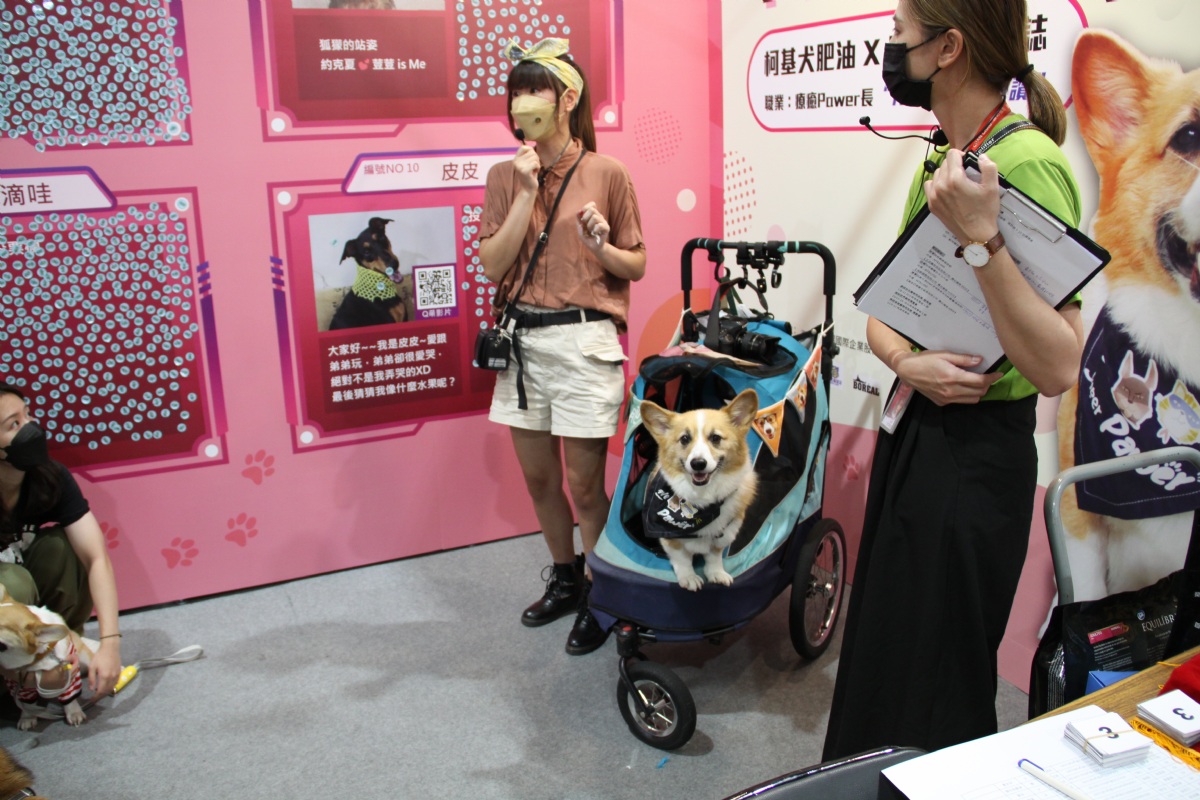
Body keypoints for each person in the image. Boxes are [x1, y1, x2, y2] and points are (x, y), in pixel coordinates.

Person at [823, 0, 1084, 756]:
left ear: (949, 49)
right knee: (892, 653)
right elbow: (885, 312)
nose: (888, 50)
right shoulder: (943, 158)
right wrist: (907, 362)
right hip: (917, 432)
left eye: (899, 36)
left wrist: (983, 241)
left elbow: (1058, 363)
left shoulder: (1026, 164)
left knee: (939, 682)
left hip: (976, 458)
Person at [478, 38, 646, 655]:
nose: (521, 103)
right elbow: (493, 265)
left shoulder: (607, 173)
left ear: (567, 99)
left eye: (534, 90)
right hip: (523, 344)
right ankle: (567, 578)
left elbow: (637, 264)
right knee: (539, 479)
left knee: (585, 484)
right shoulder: (505, 176)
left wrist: (602, 247)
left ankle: (603, 594)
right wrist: (525, 193)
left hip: (584, 343)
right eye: (515, 92)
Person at [0, 381, 124, 698]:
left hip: (36, 623)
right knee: (12, 581)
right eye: (14, 425)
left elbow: (96, 558)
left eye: (27, 415)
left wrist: (110, 644)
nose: (32, 428)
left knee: (62, 546)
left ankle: (62, 647)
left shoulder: (50, 476)